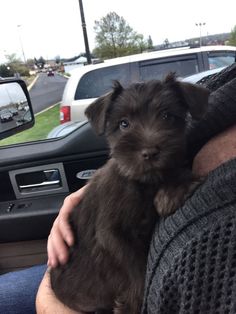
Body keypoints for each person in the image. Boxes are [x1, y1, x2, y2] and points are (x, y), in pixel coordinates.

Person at [0, 64, 235, 314]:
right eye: (124, 124)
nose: (149, 142)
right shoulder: (227, 83)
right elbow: (112, 235)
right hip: (80, 283)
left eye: (166, 118)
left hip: (103, 297)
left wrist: (136, 297)